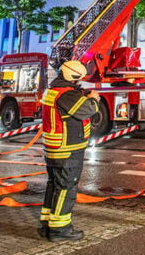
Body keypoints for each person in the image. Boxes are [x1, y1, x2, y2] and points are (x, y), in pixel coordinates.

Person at [39, 60, 100, 242]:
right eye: (77, 80)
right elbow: (86, 110)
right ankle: (60, 229)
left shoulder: (53, 91)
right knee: (66, 187)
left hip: (55, 148)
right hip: (67, 149)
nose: (78, 83)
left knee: (55, 185)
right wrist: (94, 99)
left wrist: (82, 94)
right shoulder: (66, 95)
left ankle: (47, 224)